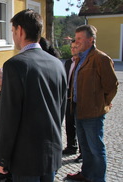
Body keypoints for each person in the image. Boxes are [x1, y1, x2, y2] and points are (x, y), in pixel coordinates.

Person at [0, 9, 67, 182]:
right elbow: (61, 110)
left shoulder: (15, 65)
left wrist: (2, 157)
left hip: (25, 158)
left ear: (20, 30)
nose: (13, 36)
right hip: (51, 152)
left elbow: (9, 116)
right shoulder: (58, 64)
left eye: (12, 31)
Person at [66, 25, 118, 182]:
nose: (77, 41)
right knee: (85, 147)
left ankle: (99, 178)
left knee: (96, 148)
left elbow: (112, 86)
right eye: (76, 38)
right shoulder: (80, 58)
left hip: (93, 112)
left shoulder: (101, 58)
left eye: (80, 38)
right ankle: (87, 174)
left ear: (91, 40)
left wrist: (103, 104)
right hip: (78, 110)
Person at [63, 40, 83, 161]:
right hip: (69, 97)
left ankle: (83, 152)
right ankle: (71, 146)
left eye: (76, 47)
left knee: (80, 125)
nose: (73, 49)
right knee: (69, 123)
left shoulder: (84, 62)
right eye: (72, 47)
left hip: (80, 98)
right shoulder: (68, 62)